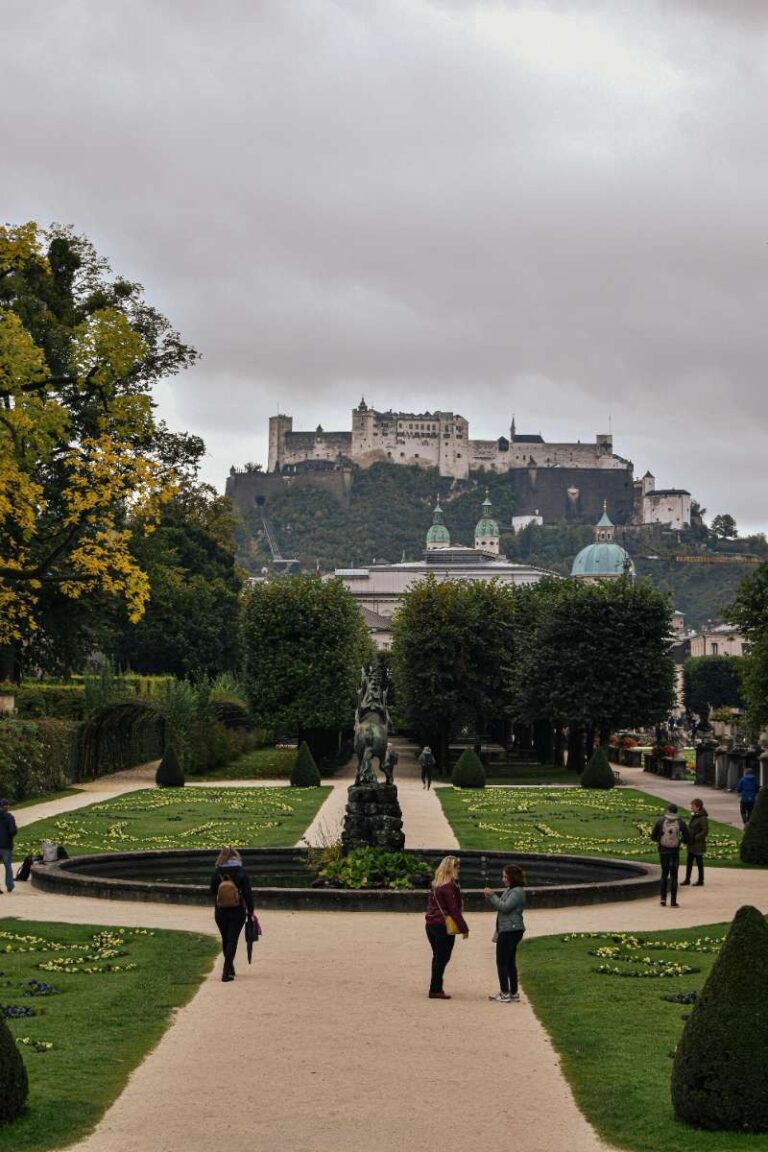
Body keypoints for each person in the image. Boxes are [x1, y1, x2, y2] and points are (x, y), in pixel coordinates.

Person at [424, 855, 469, 999]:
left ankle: (435, 986)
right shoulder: (449, 886)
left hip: (431, 924)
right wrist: (464, 928)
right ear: (453, 868)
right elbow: (453, 910)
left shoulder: (436, 883)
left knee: (437, 956)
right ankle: (435, 989)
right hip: (443, 925)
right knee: (443, 957)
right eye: (457, 867)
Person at [209, 846, 255, 982]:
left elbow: (212, 890)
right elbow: (247, 893)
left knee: (225, 938)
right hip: (237, 910)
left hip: (221, 910)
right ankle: (226, 970)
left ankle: (230, 968)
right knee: (232, 939)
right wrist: (251, 910)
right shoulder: (240, 871)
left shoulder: (217, 872)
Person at [484, 864, 526, 1003]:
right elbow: (501, 904)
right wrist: (490, 897)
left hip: (510, 930)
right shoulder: (511, 890)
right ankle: (513, 993)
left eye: (505, 876)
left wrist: (492, 895)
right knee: (509, 962)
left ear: (511, 877)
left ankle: (505, 993)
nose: (503, 879)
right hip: (509, 929)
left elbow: (505, 907)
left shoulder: (517, 892)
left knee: (502, 962)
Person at [650, 802, 690, 907]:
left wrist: (660, 839)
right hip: (674, 851)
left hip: (663, 850)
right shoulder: (680, 822)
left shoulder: (661, 821)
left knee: (664, 874)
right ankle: (673, 901)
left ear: (668, 810)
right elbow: (687, 837)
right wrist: (680, 841)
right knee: (674, 876)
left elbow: (653, 837)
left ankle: (663, 899)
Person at [681, 798, 709, 887]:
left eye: (692, 806)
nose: (691, 808)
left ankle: (701, 880)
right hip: (691, 843)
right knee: (689, 862)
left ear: (698, 807)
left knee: (699, 862)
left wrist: (696, 837)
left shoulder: (702, 818)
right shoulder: (695, 815)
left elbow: (705, 831)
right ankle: (687, 879)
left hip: (698, 844)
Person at [0, 799, 17, 894]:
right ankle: (9, 885)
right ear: (7, 807)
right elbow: (12, 831)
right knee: (8, 867)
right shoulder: (10, 817)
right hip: (6, 845)